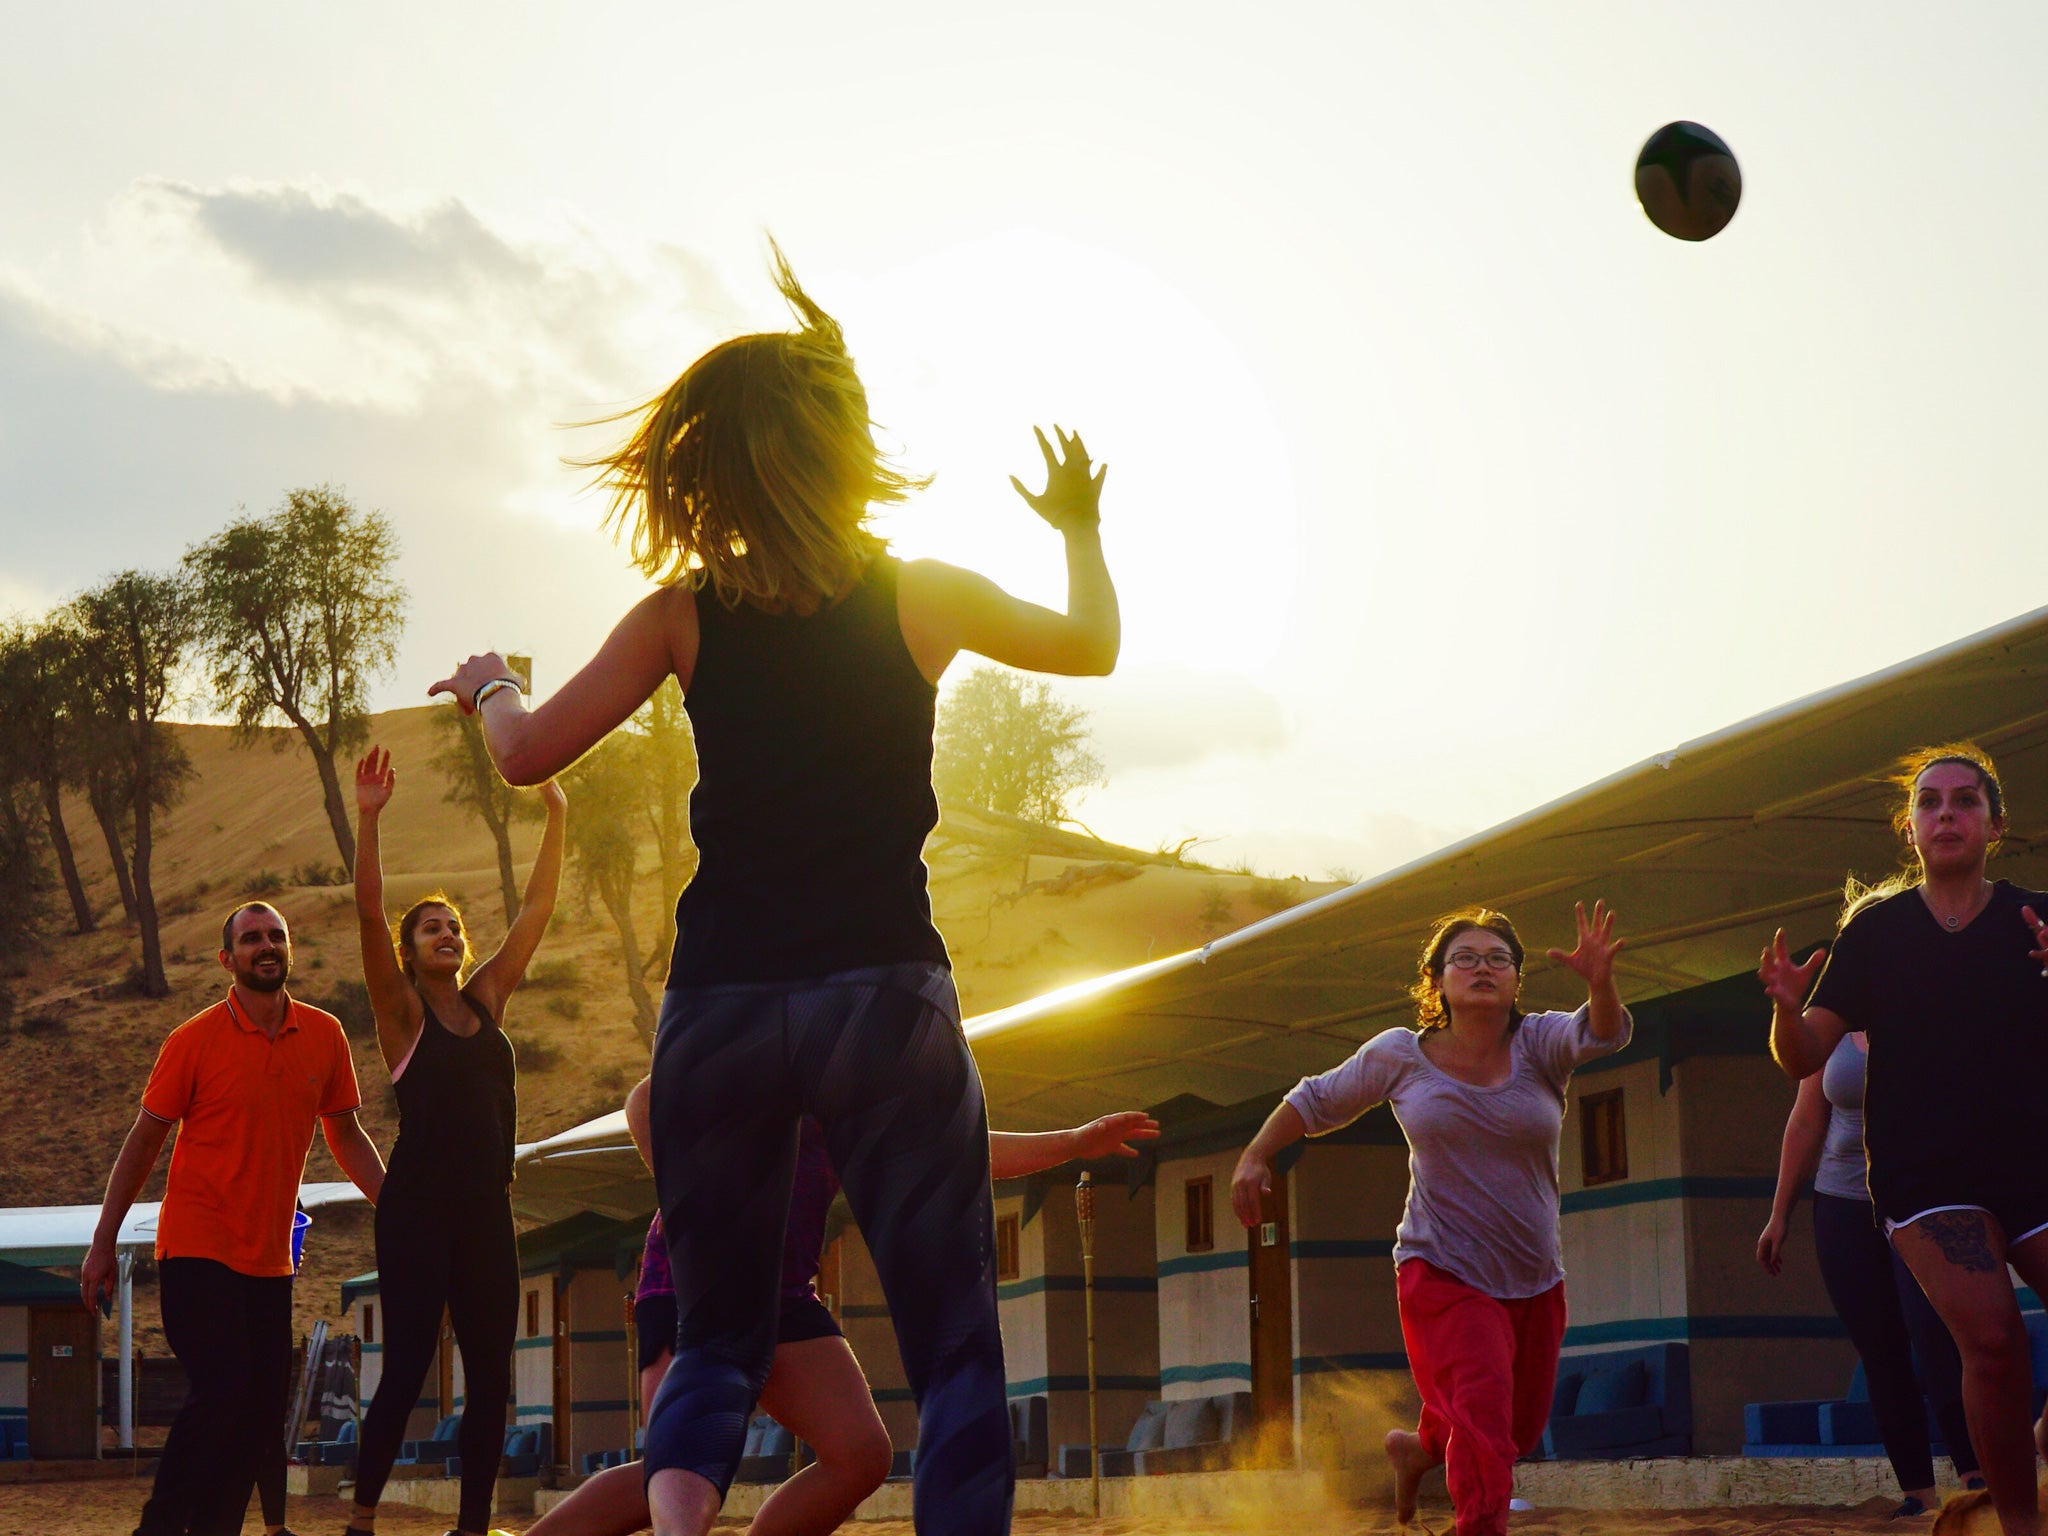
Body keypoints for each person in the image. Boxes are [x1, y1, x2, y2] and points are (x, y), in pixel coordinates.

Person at [429, 247, 1118, 1536]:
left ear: (717, 464)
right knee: (953, 1339)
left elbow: (524, 756)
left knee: (715, 1338)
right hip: (883, 997)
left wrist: (486, 683)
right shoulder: (921, 592)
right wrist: (1077, 528)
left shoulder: (683, 614)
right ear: (840, 448)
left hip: (724, 1006)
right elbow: (1092, 646)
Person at [528, 1085, 1159, 1536]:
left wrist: (1075, 1142)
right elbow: (645, 1099)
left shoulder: (851, 1091)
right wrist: (690, 1195)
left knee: (860, 1455)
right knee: (674, 1461)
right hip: (696, 1287)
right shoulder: (746, 1051)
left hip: (786, 1296)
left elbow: (954, 1149)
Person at [1231, 902, 1630, 1536]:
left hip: (1533, 1277)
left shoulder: (1541, 1043)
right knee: (1483, 1417)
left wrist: (1600, 981)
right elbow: (1313, 1100)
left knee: (1513, 1430)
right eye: (1464, 959)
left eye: (1499, 959)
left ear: (1517, 980)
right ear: (1436, 979)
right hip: (1440, 1270)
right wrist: (1256, 1155)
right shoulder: (1400, 1056)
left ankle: (1418, 1450)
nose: (1482, 968)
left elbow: (1605, 1033)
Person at [1763, 745, 2048, 1536]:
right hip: (1927, 1179)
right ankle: (2020, 1526)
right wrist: (1787, 1008)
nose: (1947, 813)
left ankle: (2031, 1451)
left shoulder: (2037, 917)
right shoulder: (1876, 933)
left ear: (1995, 823)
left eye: (1965, 801)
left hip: (2034, 1166)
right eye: (1931, 802)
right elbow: (1804, 1058)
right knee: (1992, 1342)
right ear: (1911, 827)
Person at [81, 902, 386, 1536]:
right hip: (195, 1246)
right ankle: (159, 1527)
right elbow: (143, 1142)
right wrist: (103, 1242)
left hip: (271, 1260)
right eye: (251, 939)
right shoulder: (193, 1040)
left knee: (254, 1414)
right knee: (222, 1390)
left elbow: (347, 1134)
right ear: (228, 960)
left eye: (276, 935)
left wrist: (401, 1209)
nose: (266, 945)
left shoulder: (326, 1034)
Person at [343, 746, 567, 1536]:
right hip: (416, 1210)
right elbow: (369, 914)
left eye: (454, 926)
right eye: (431, 927)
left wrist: (557, 815)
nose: (446, 932)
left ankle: (472, 1529)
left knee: (492, 1377)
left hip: (484, 1211)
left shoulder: (487, 1002)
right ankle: (362, 1519)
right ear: (409, 953)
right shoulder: (403, 1016)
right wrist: (370, 819)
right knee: (403, 1370)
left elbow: (536, 911)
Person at [1757, 1031, 1982, 1516]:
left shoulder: (1926, 1009)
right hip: (1843, 1202)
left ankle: (1975, 1473)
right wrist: (1780, 1214)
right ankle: (1917, 1494)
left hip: (1920, 1196)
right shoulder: (1832, 1023)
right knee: (1879, 1350)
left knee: (1934, 1331)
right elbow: (1805, 1121)